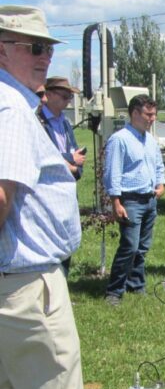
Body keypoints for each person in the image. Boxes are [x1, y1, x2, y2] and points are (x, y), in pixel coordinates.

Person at [0, 4, 144, 389]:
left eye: (48, 47)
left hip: (11, 286)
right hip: (29, 284)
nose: (45, 57)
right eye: (33, 47)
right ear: (1, 48)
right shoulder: (11, 111)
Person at [103, 94, 165, 306]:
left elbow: (158, 165)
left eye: (154, 115)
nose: (152, 119)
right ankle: (114, 292)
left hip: (149, 200)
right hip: (130, 200)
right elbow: (113, 173)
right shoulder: (120, 139)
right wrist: (116, 202)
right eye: (148, 114)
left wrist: (161, 184)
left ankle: (136, 284)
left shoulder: (150, 140)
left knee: (142, 247)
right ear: (135, 113)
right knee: (129, 246)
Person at [40, 76, 86, 276]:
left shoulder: (65, 123)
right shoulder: (37, 122)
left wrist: (74, 166)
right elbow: (41, 154)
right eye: (64, 96)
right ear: (48, 95)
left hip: (68, 191)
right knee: (49, 241)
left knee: (67, 240)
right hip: (47, 193)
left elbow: (80, 156)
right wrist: (68, 159)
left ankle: (62, 286)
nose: (68, 101)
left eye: (70, 97)